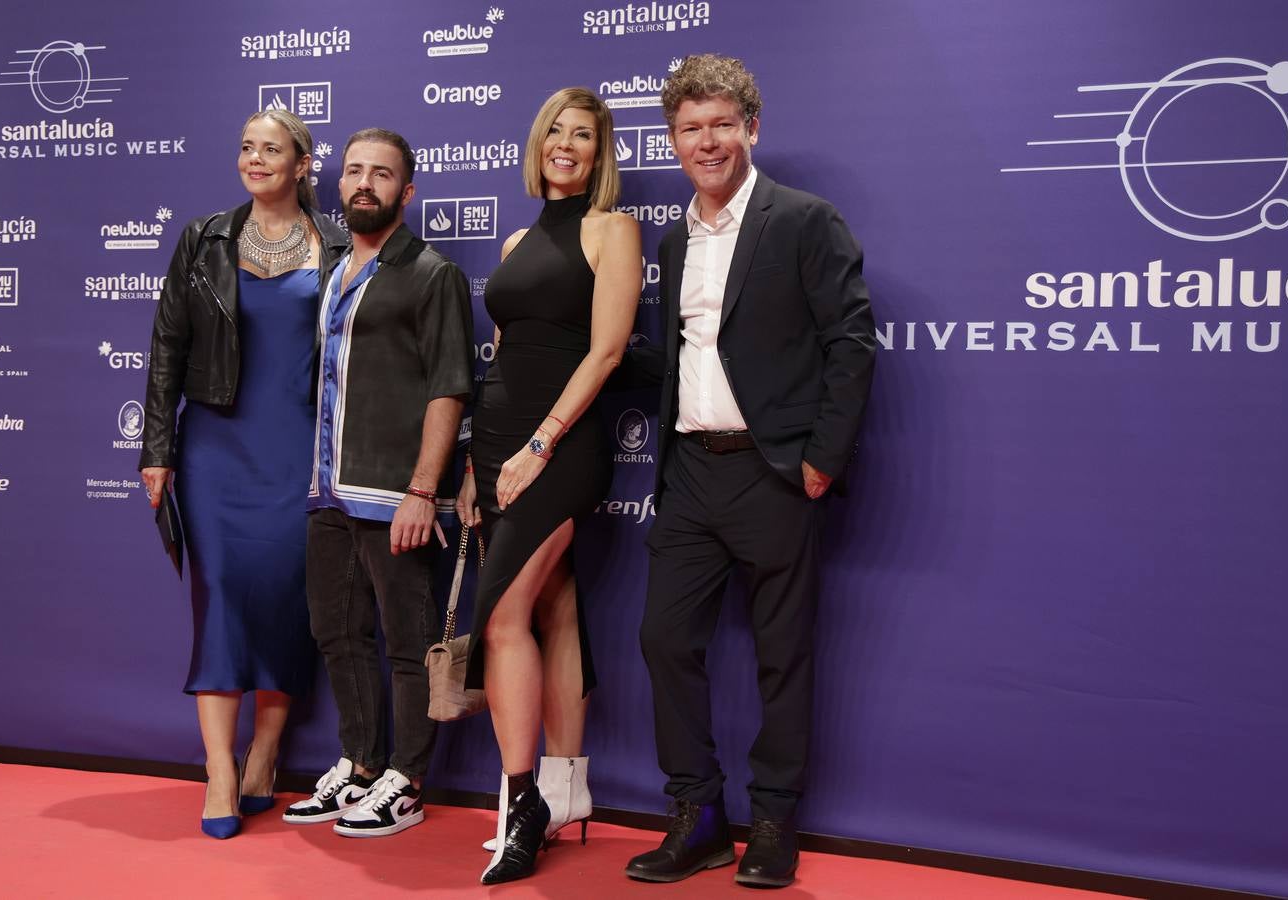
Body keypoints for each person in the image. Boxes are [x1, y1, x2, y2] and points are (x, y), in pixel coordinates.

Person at [623, 54, 876, 888]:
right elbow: (692, 353)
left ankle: (772, 823)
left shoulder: (803, 221)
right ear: (673, 140)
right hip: (691, 472)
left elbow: (850, 343)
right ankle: (695, 814)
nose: (707, 141)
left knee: (781, 655)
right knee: (664, 639)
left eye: (721, 125)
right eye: (690, 129)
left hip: (774, 473)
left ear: (751, 129)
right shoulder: (672, 235)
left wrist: (819, 463)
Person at [140, 109, 349, 840]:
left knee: (290, 598)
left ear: (301, 165)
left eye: (271, 149)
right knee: (222, 596)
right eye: (245, 148)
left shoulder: (341, 245)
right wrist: (157, 448)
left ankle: (264, 754)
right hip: (216, 450)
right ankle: (220, 771)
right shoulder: (204, 237)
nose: (254, 159)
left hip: (303, 452)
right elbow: (168, 342)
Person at [455, 87, 640, 885]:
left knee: (501, 620)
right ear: (538, 144)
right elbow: (505, 355)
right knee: (555, 605)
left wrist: (538, 445)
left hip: (558, 447)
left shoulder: (612, 230)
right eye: (556, 132)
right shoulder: (514, 241)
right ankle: (568, 788)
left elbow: (602, 354)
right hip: (501, 440)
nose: (566, 145)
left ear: (600, 155)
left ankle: (522, 798)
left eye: (584, 136)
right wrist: (477, 461)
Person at [282, 128, 474, 839]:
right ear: (338, 183)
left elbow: (449, 388)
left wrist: (424, 490)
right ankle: (361, 764)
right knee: (335, 631)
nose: (365, 183)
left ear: (406, 191)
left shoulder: (431, 274)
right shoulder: (333, 271)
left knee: (405, 640)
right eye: (355, 171)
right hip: (329, 488)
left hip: (396, 494)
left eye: (382, 174)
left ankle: (408, 780)